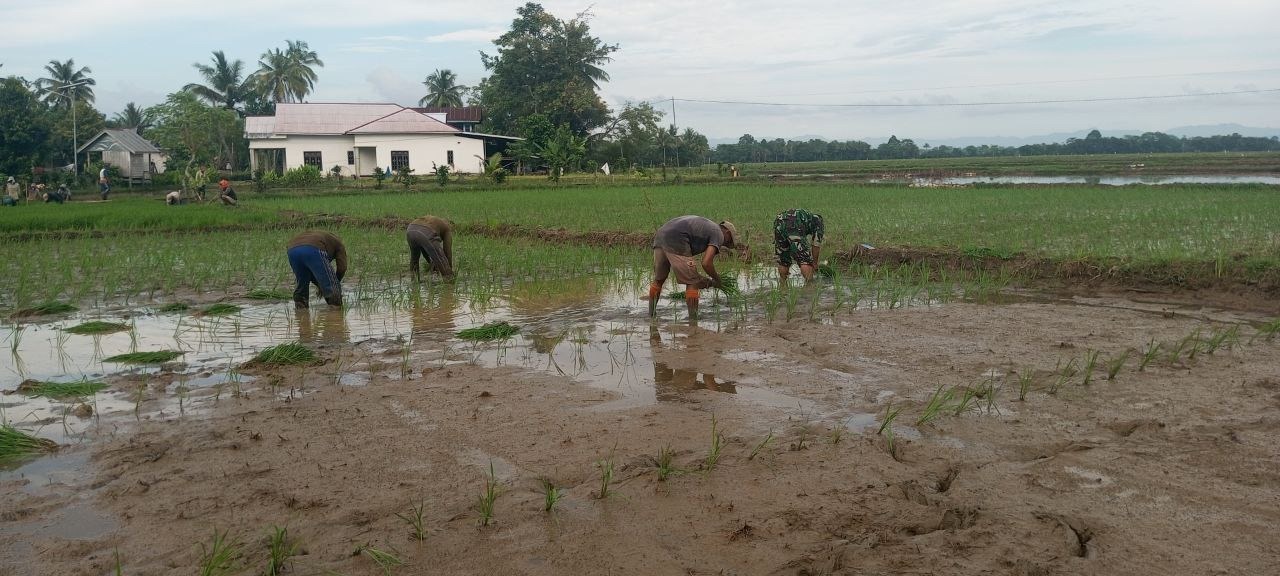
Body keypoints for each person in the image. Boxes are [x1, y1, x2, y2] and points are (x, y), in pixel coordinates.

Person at [648, 215, 738, 319]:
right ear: (727, 233)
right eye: (728, 242)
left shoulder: (709, 227)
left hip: (660, 235)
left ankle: (651, 316)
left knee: (659, 279)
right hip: (677, 239)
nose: (724, 244)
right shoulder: (718, 233)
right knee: (693, 282)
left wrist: (709, 282)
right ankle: (693, 321)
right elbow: (706, 263)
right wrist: (718, 280)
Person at [286, 230, 347, 309]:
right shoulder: (339, 244)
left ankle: (301, 310)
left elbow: (312, 273)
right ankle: (336, 313)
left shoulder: (322, 236)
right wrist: (334, 282)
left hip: (292, 250)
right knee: (333, 291)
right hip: (314, 248)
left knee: (302, 284)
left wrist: (320, 285)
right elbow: (342, 268)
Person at [773, 209, 825, 282]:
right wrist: (815, 263)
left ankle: (783, 284)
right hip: (794, 223)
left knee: (783, 259)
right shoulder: (819, 221)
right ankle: (810, 286)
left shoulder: (808, 216)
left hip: (779, 221)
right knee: (804, 260)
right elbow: (816, 244)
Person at [406, 215, 454, 282]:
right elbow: (447, 252)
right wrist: (449, 270)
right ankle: (449, 283)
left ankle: (414, 282)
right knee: (442, 261)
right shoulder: (447, 228)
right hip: (426, 231)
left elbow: (425, 250)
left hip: (411, 230)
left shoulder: (434, 221)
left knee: (414, 258)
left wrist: (432, 264)